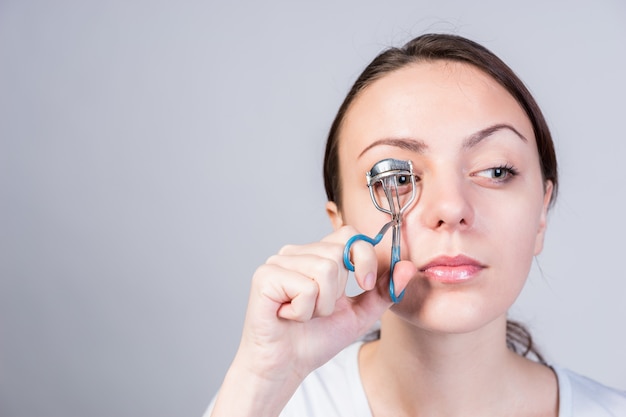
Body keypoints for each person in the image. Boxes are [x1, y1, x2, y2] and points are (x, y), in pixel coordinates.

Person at [207, 33, 626, 416]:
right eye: (398, 179)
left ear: (540, 214)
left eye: (496, 170)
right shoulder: (268, 404)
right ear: (342, 227)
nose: (451, 208)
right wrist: (260, 383)